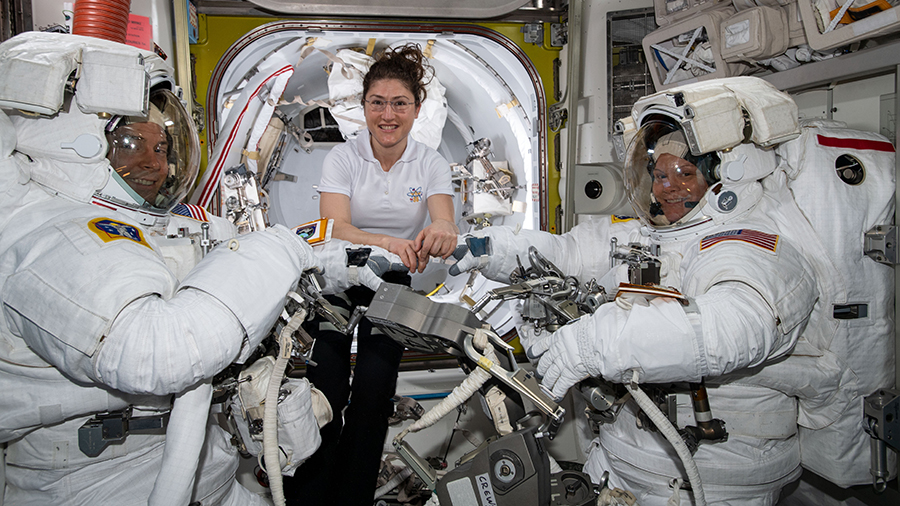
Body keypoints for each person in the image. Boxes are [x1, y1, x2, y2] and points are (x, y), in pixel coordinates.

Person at [0, 31, 389, 505]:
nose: (154, 164)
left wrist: (332, 261)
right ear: (69, 145)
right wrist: (286, 248)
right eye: (128, 142)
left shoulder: (149, 228)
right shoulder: (50, 239)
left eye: (162, 147)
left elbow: (230, 255)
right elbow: (158, 351)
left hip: (204, 468)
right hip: (101, 484)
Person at [449, 77, 857, 505]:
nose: (667, 187)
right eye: (659, 174)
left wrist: (595, 343)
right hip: (619, 456)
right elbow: (568, 253)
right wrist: (489, 249)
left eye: (684, 173)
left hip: (711, 477)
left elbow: (737, 329)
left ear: (727, 177)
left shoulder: (753, 244)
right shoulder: (652, 234)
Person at [284, 44, 458, 506]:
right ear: (363, 107)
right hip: (341, 275)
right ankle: (309, 494)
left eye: (399, 103)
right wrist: (386, 242)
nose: (387, 114)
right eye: (377, 102)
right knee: (326, 384)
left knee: (374, 391)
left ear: (416, 109)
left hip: (393, 281)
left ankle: (352, 497)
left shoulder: (430, 162)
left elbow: (443, 218)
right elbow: (334, 226)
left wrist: (441, 229)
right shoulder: (342, 158)